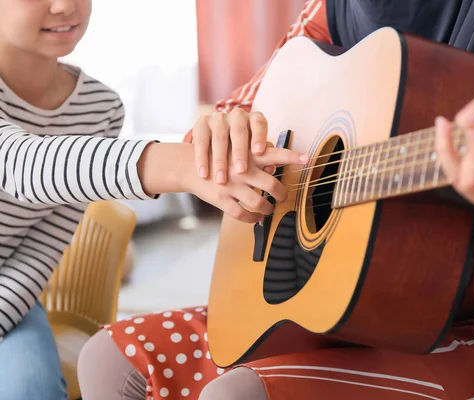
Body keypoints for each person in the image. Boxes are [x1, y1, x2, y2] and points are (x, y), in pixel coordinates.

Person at [78, 0, 474, 399]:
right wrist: (223, 138)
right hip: (355, 307)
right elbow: (250, 103)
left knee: (239, 395)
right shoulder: (335, 9)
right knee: (109, 358)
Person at [0, 0, 306, 398]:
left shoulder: (100, 107)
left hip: (13, 295)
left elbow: (42, 245)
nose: (65, 6)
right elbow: (23, 167)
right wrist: (182, 166)